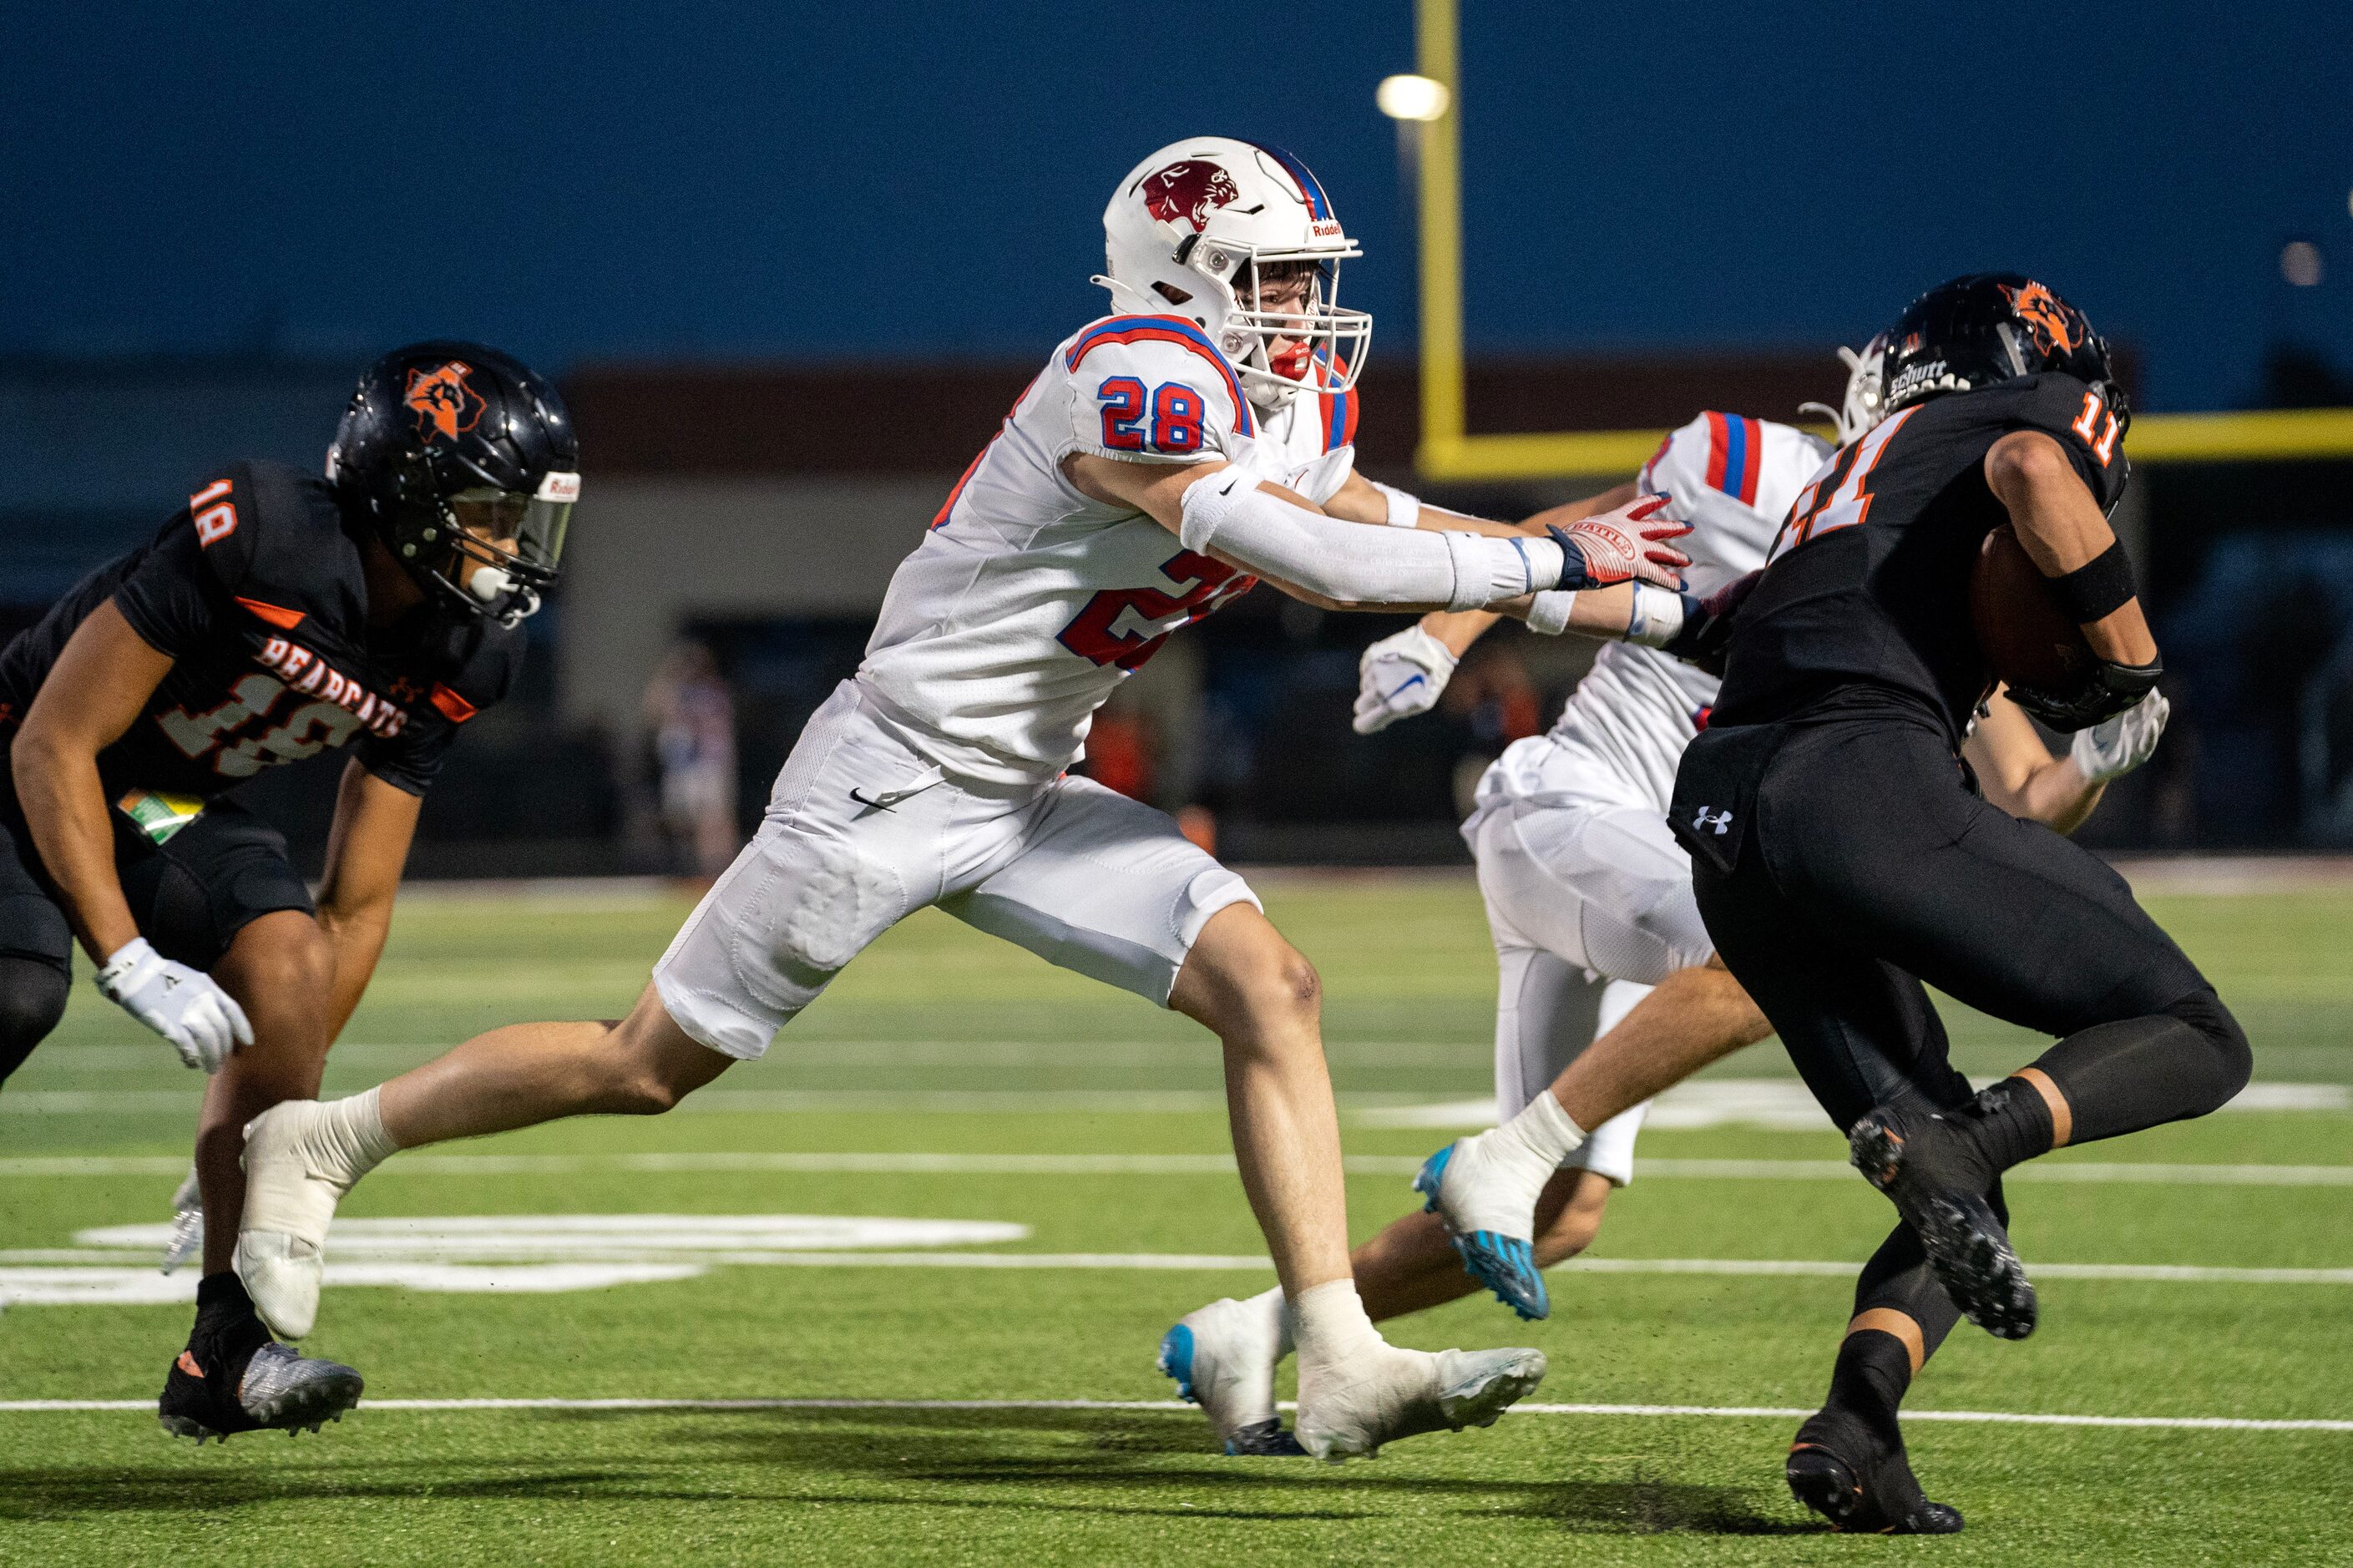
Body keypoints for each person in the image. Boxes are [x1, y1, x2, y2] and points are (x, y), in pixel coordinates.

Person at [231, 137, 1697, 1463]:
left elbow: (1358, 506)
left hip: (1026, 785)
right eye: (1275, 279)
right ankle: (331, 1138)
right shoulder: (1128, 376)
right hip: (895, 770)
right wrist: (1548, 573)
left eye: (1315, 280)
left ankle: (1337, 1354)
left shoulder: (1281, 387)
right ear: (1178, 278)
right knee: (644, 1063)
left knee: (1272, 981)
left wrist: (1543, 555)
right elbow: (1317, 566)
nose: (1307, 311)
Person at [1160, 375, 2170, 1449]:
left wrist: (2097, 758)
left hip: (1671, 861)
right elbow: (1566, 532)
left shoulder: (1934, 587)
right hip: (1575, 806)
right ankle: (1501, 1154)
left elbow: (2022, 798)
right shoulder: (1755, 464)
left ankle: (1260, 1332)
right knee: (1764, 952)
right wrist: (1442, 638)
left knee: (1561, 1219)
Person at [1659, 274, 2243, 1533]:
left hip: (1726, 824)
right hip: (1853, 777)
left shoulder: (1844, 477)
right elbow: (2037, 465)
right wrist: (2132, 656)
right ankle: (1961, 1147)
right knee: (2195, 1035)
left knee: (1942, 1159)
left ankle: (1854, 1430)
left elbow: (1710, 628)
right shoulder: (2019, 412)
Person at [0, 341, 580, 1441]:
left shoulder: (460, 653)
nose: (512, 547)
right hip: (20, 762)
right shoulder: (268, 538)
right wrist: (127, 960)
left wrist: (281, 1113)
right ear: (406, 493)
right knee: (17, 991)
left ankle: (219, 1362)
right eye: (491, 511)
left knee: (285, 961)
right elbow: (54, 741)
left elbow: (352, 910)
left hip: (161, 801)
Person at [644, 640, 739, 878]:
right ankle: (692, 870)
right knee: (683, 821)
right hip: (684, 767)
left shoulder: (714, 691)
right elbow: (652, 710)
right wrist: (669, 672)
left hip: (709, 764)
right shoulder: (677, 691)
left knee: (715, 820)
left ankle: (718, 871)